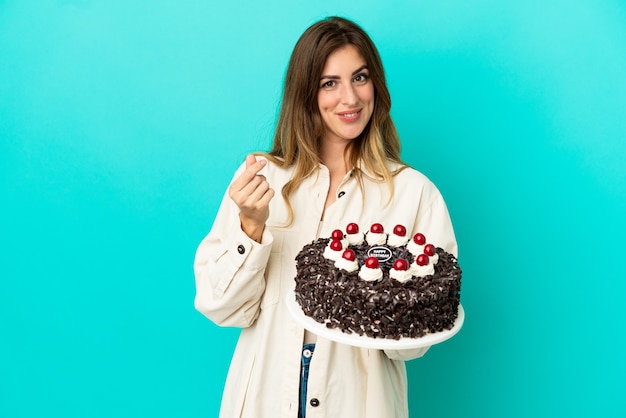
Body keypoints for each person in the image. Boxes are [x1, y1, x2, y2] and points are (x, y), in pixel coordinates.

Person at [194, 16, 457, 418]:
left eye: (360, 77)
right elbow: (221, 307)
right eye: (329, 83)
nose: (349, 98)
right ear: (306, 93)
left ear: (377, 86)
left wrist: (382, 291)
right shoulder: (260, 180)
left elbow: (413, 345)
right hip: (265, 395)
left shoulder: (414, 193)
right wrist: (251, 226)